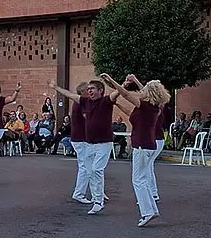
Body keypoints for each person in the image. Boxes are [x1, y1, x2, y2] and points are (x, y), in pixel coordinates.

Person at [101, 73, 171, 227]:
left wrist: (111, 80)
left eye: (145, 90)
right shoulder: (153, 107)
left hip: (142, 145)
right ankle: (152, 208)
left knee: (138, 180)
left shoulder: (145, 106)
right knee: (144, 178)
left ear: (149, 93)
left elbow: (125, 93)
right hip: (148, 145)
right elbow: (133, 106)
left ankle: (147, 212)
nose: (141, 91)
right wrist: (118, 104)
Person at [49, 79, 119, 215]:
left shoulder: (105, 101)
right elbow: (69, 94)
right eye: (89, 89)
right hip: (89, 143)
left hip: (104, 142)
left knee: (96, 169)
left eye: (93, 89)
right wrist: (55, 87)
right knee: (90, 171)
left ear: (100, 91)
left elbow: (118, 92)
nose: (90, 91)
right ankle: (96, 197)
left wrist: (121, 83)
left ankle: (98, 201)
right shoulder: (84, 102)